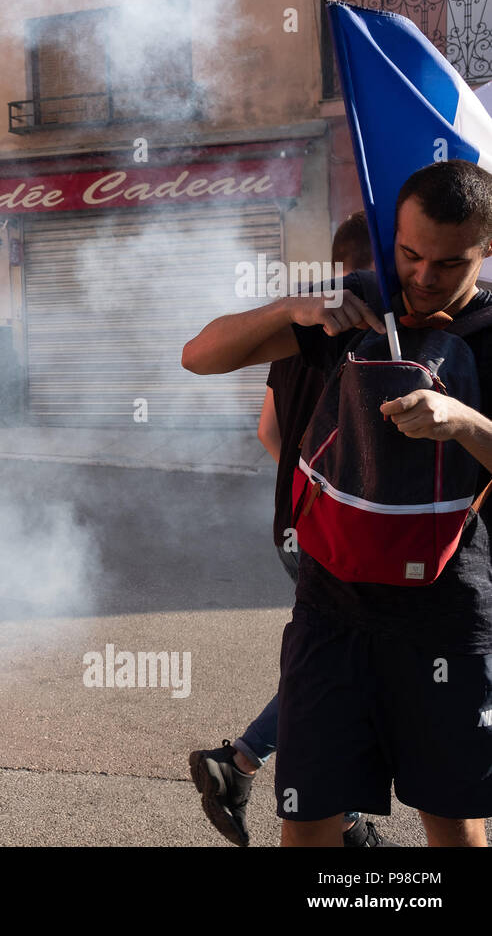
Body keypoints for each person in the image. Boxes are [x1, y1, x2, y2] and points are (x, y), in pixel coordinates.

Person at [183, 159, 492, 847]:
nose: (424, 276)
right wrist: (290, 308)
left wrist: (462, 421)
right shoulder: (352, 301)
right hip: (331, 615)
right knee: (309, 824)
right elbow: (198, 357)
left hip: (446, 621)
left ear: (487, 248)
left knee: (455, 828)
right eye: (410, 253)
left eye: (450, 262)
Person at [188, 212, 394, 846]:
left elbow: (267, 433)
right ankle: (252, 765)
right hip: (355, 540)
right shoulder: (375, 337)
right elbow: (200, 355)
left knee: (337, 656)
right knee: (357, 662)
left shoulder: (297, 336)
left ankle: (315, 801)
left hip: (299, 528)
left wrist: (313, 496)